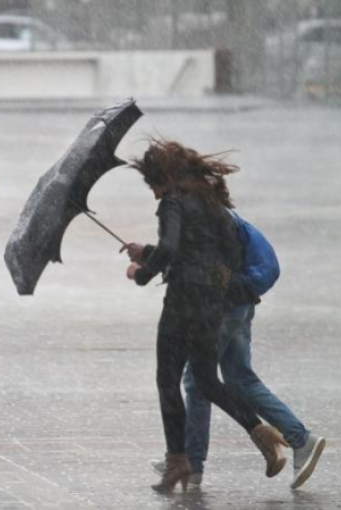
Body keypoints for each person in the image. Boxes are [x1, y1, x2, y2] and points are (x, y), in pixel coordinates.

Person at [122, 140, 287, 492]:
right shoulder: (211, 201)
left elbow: (170, 249)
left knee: (167, 380)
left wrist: (141, 272)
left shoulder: (173, 202)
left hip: (182, 302)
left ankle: (177, 462)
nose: (154, 194)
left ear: (164, 178)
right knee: (207, 380)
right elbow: (204, 253)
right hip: (212, 303)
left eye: (153, 185)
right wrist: (147, 250)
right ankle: (261, 433)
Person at [151, 171, 326, 490]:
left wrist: (154, 263)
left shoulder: (216, 222)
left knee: (196, 379)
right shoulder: (223, 216)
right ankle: (301, 440)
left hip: (227, 307)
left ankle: (192, 463)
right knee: (239, 377)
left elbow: (209, 270)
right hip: (241, 304)